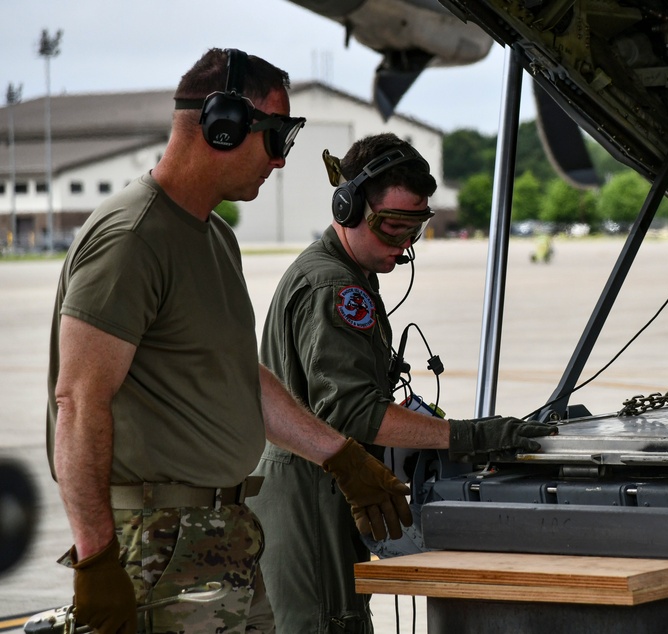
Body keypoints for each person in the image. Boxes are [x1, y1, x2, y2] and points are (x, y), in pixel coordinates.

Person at [46, 48, 412, 634]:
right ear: (222, 128)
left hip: (226, 534)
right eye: (276, 139)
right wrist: (96, 559)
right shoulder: (132, 239)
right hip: (156, 544)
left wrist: (341, 458)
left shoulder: (215, 237)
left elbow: (242, 376)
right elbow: (78, 401)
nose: (281, 162)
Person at [247, 133, 557, 634]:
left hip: (320, 484)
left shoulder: (347, 272)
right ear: (348, 208)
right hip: (311, 495)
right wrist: (466, 436)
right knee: (329, 623)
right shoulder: (335, 287)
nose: (404, 245)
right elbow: (353, 413)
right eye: (391, 227)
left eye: (415, 228)